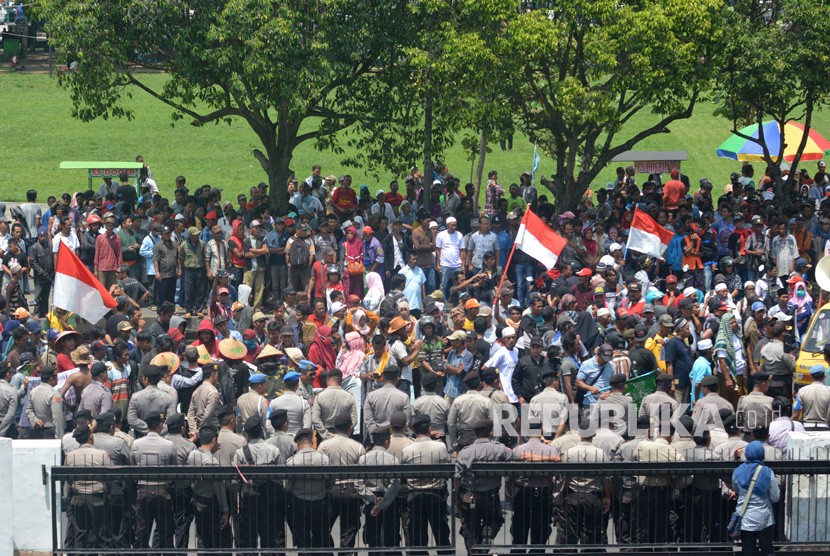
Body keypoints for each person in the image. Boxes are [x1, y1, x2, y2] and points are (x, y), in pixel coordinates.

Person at [455, 419, 515, 554]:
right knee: (496, 519)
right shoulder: (499, 449)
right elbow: (513, 458)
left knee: (469, 527)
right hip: (490, 495)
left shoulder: (465, 452)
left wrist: (457, 497)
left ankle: (473, 553)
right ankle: (489, 532)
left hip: (469, 494)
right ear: (491, 432)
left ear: (475, 434)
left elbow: (457, 477)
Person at [285, 428, 334, 552]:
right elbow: (330, 482)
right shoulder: (324, 459)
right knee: (321, 539)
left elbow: (288, 487)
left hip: (299, 505)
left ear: (298, 443)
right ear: (312, 441)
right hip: (319, 503)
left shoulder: (292, 462)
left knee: (302, 542)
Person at [732, 441, 780, 556]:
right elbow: (775, 497)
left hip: (745, 518)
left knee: (747, 550)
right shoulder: (767, 472)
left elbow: (736, 489)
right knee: (767, 550)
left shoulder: (737, 471)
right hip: (764, 519)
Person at [188, 427, 231, 550]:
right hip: (211, 503)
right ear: (213, 439)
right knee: (218, 540)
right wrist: (225, 509)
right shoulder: (212, 462)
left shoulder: (192, 455)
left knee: (202, 538)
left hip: (197, 500)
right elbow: (219, 488)